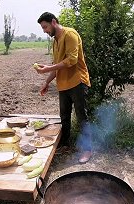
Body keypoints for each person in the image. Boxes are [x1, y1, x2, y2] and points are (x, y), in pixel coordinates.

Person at [35, 12, 92, 164]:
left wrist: (46, 69)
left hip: (77, 81)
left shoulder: (70, 34)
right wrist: (46, 82)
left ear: (53, 22)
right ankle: (65, 144)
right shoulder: (55, 41)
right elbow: (56, 66)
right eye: (42, 28)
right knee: (64, 116)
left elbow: (72, 60)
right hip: (63, 84)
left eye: (45, 27)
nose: (44, 31)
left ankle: (87, 149)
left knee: (81, 116)